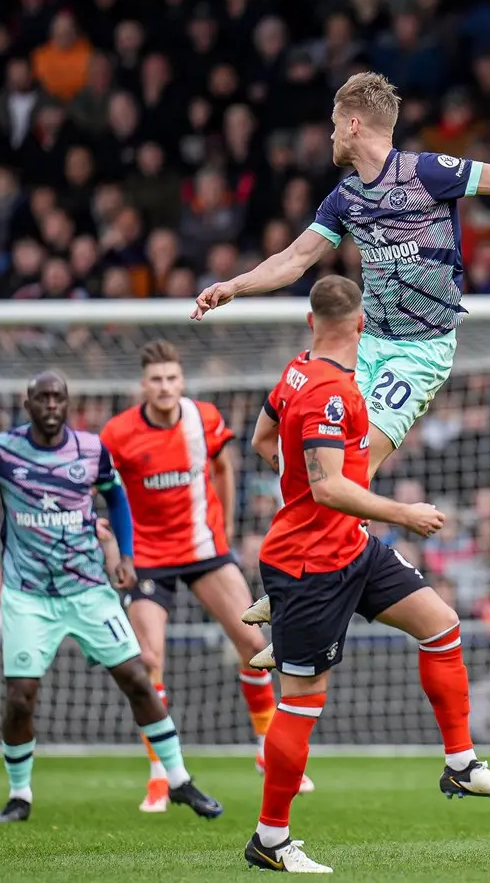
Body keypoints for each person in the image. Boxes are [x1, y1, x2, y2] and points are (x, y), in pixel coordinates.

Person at [193, 70, 490, 563]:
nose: (328, 135)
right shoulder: (344, 199)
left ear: (351, 125)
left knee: (348, 469)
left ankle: (318, 570)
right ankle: (326, 552)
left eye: (332, 125)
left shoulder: (426, 172)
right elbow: (294, 259)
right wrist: (233, 286)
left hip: (417, 352)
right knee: (279, 441)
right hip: (362, 345)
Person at [243, 276, 490, 874]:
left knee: (441, 624)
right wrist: (405, 513)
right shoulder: (329, 392)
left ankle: (461, 764)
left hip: (351, 548)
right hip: (311, 564)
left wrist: (294, 478)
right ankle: (270, 840)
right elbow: (328, 485)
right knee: (302, 703)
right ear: (364, 323)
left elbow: (261, 439)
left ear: (310, 320)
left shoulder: (298, 370)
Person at [0, 372, 221, 824]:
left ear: (67, 404)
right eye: (43, 397)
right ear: (28, 402)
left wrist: (125, 555)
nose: (51, 404)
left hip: (89, 588)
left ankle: (179, 780)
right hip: (29, 594)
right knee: (20, 697)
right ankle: (19, 795)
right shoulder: (3, 450)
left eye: (58, 397)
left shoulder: (91, 449)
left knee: (137, 676)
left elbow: (116, 497)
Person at [100, 341, 310, 812]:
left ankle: (265, 750)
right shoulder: (118, 434)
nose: (165, 387)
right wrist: (115, 545)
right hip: (148, 558)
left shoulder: (204, 419)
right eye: (156, 379)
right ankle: (160, 774)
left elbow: (223, 465)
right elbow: (105, 491)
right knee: (149, 659)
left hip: (204, 550)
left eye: (172, 378)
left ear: (181, 381)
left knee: (256, 646)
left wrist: (228, 527)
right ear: (143, 385)